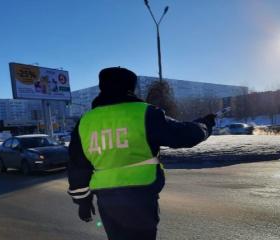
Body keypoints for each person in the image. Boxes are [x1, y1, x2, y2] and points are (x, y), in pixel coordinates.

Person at [67, 67, 216, 240]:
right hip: (140, 197)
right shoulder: (145, 113)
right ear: (131, 87)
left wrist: (83, 202)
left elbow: (77, 166)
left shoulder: (85, 122)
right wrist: (205, 124)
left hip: (107, 202)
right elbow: (183, 135)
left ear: (102, 87)